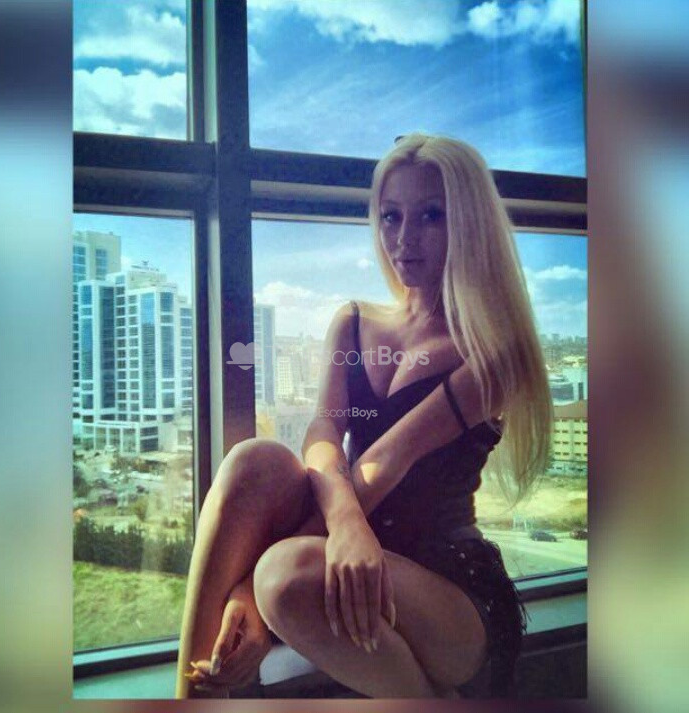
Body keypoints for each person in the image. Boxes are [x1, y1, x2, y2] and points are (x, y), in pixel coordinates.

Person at [175, 133, 553, 699]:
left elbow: (386, 460)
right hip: (352, 553)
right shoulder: (353, 321)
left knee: (282, 576)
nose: (404, 238)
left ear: (470, 222)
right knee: (253, 463)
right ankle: (190, 694)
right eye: (391, 216)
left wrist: (249, 589)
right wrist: (345, 526)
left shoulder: (495, 352)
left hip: (451, 592)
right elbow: (324, 429)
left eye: (431, 215)